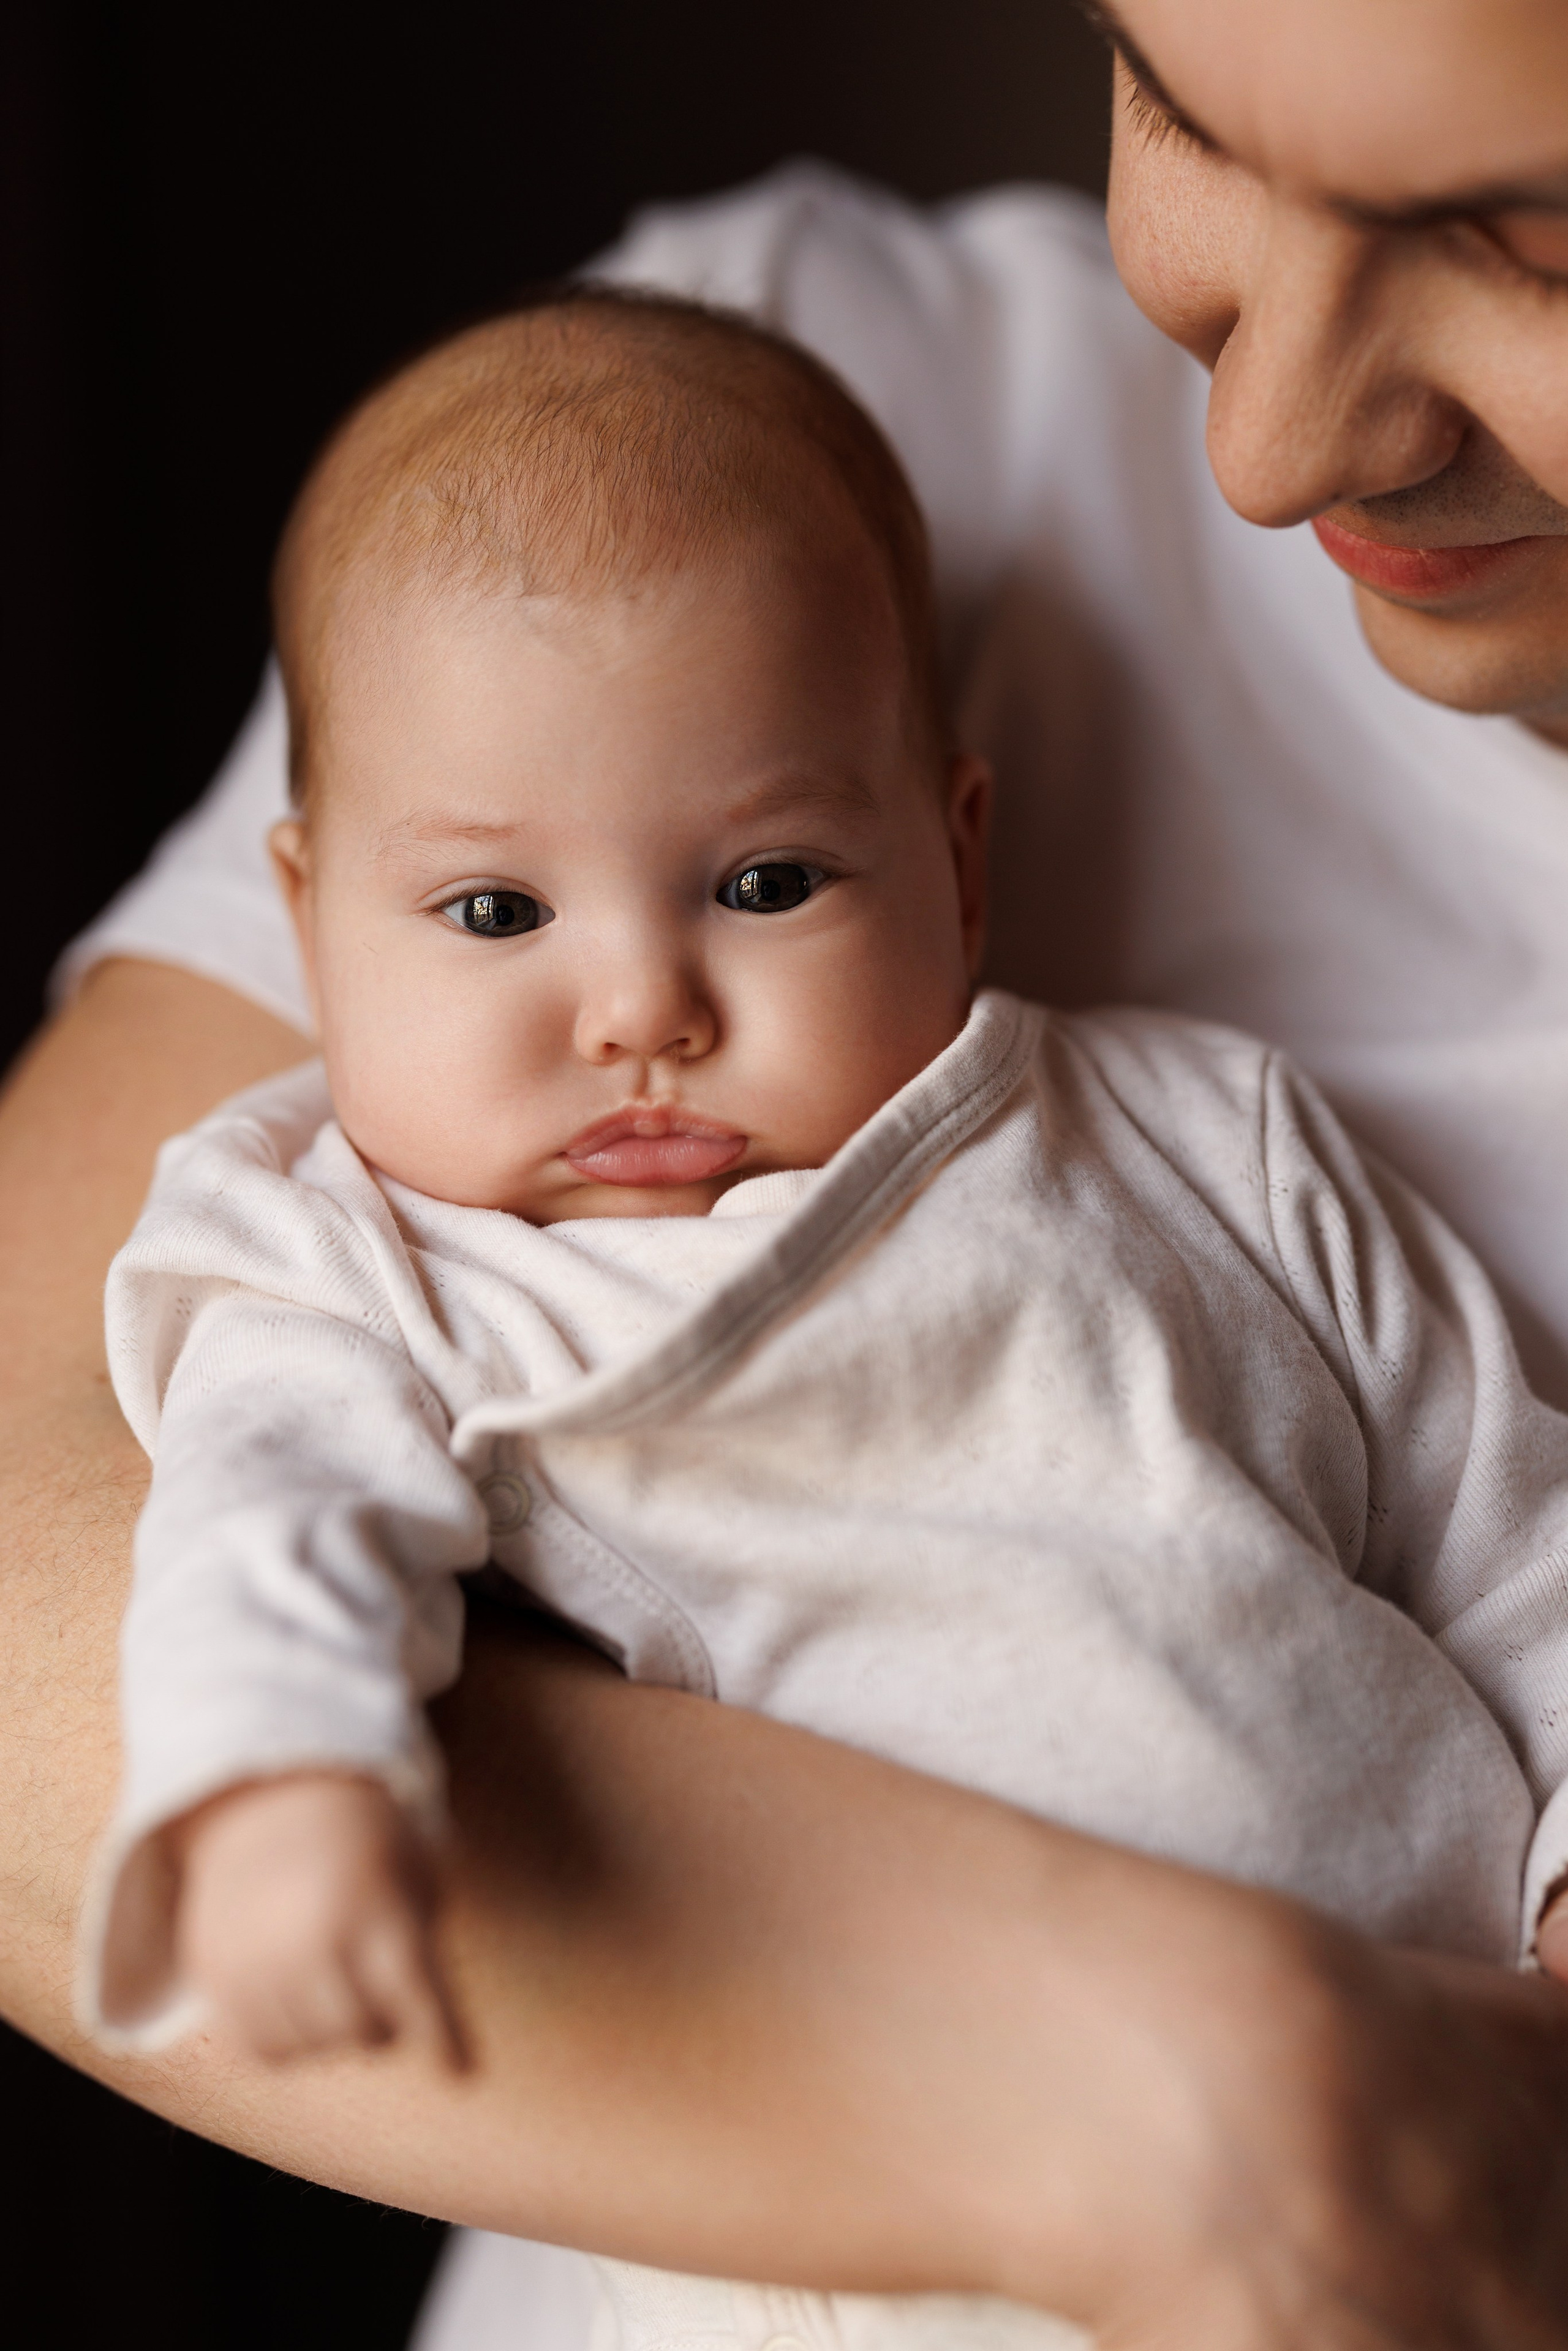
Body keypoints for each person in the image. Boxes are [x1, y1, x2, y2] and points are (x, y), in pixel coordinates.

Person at [9, 1, 1568, 2346]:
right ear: (307, 920)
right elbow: (259, 1530)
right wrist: (281, 1779)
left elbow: (1508, 1520)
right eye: (1185, 108)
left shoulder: (1189, 1136)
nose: (636, 1009)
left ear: (961, 851)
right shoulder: (378, 1263)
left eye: (1530, 240)